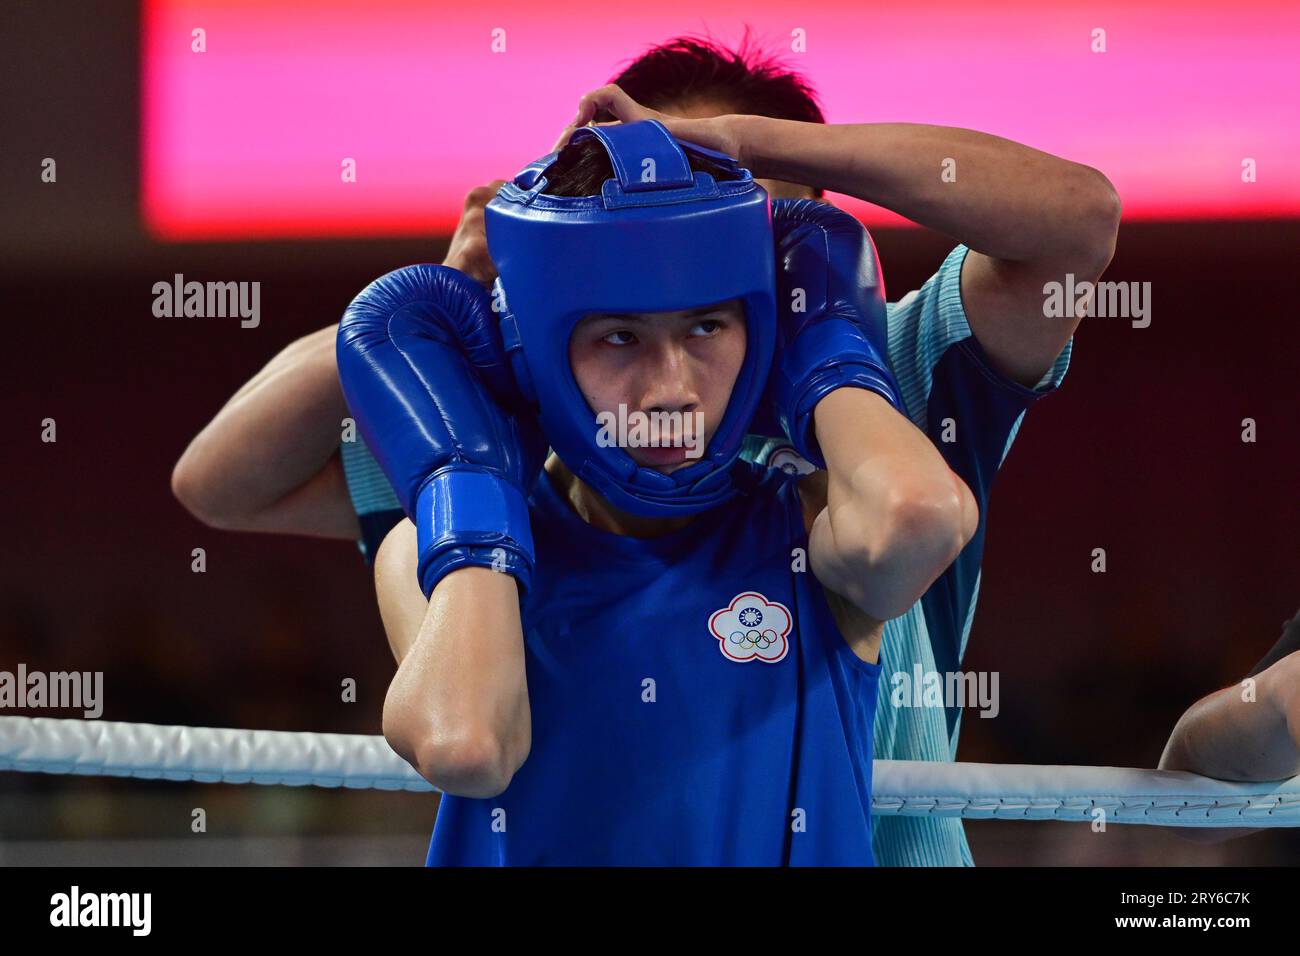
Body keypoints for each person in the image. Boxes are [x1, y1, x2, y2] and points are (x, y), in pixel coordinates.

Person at [175, 36, 1121, 864]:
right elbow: (221, 483)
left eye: (738, 216)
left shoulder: (893, 374)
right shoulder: (519, 436)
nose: (688, 239)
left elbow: (1079, 220)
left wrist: (752, 148)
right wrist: (452, 303)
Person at [339, 119, 976, 864]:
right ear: (531, 353)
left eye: (708, 326)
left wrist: (827, 355)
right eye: (620, 337)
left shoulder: (805, 528)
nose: (672, 387)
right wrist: (469, 484)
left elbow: (923, 515)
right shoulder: (426, 549)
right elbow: (468, 743)